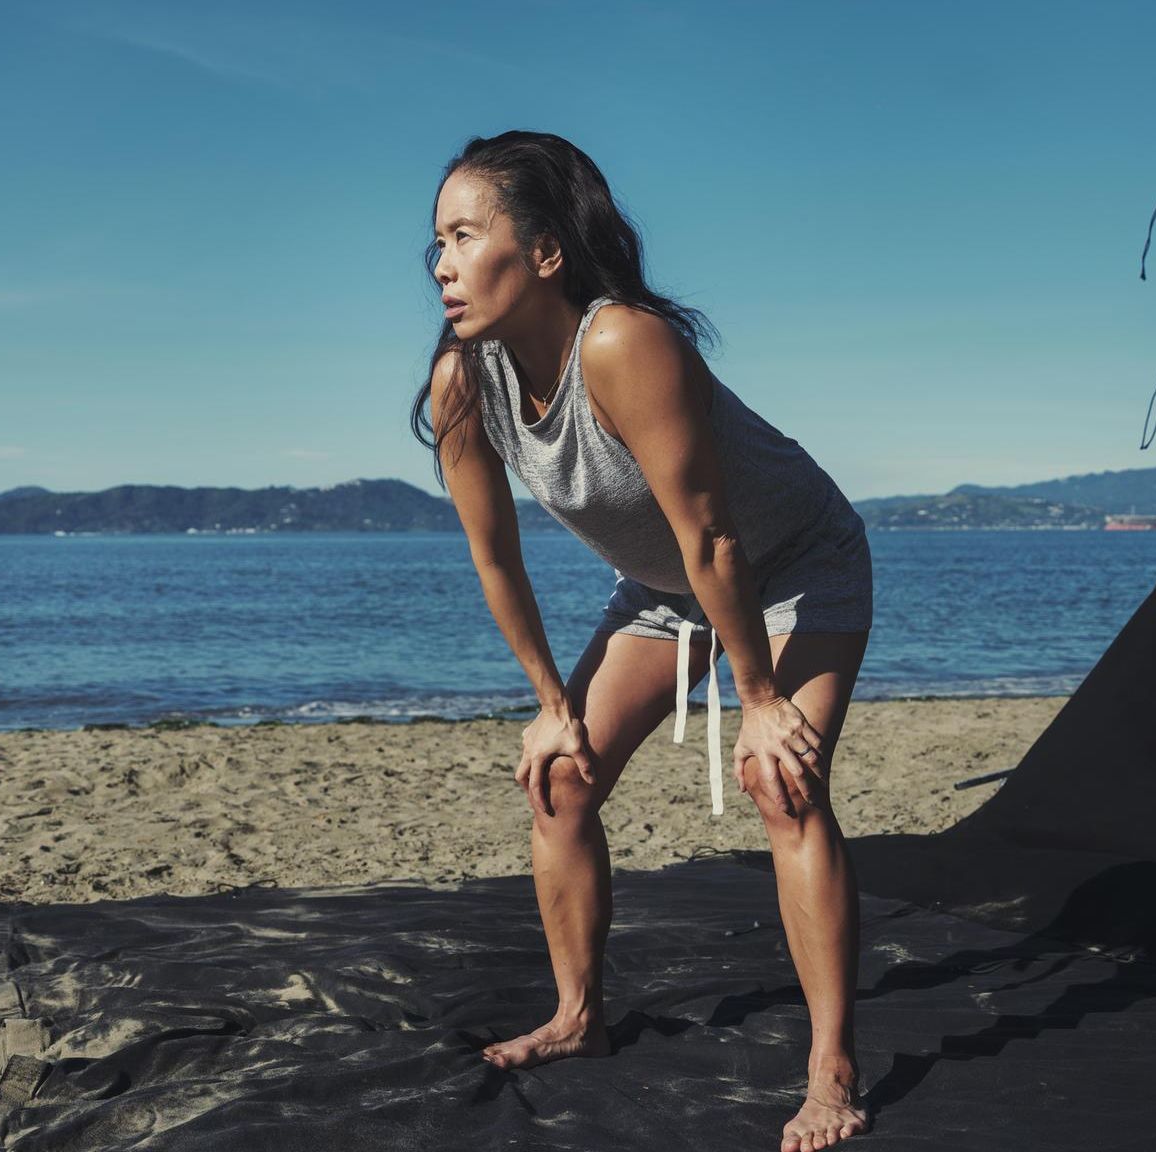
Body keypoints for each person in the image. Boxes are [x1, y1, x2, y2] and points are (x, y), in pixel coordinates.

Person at [410, 130, 874, 1152]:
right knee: (558, 781)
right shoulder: (463, 383)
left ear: (543, 252)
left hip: (792, 565)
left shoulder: (623, 344)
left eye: (462, 235)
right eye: (431, 243)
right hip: (667, 590)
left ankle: (832, 1066)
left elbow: (715, 532)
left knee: (781, 783)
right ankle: (579, 1018)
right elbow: (497, 563)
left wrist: (756, 703)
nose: (440, 263)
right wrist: (549, 707)